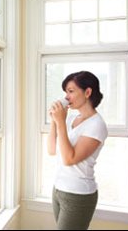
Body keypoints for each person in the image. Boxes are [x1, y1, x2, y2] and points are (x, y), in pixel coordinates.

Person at [47, 71, 108, 230]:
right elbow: (52, 149)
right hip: (59, 190)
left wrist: (60, 122)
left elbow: (69, 159)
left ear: (87, 92)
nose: (67, 97)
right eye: (66, 92)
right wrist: (55, 121)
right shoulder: (70, 120)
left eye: (71, 91)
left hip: (78, 194)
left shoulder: (97, 125)